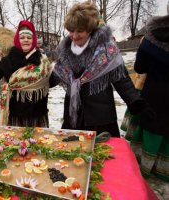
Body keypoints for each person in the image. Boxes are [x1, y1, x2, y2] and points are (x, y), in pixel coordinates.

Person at [54, 1, 150, 137]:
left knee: (102, 155)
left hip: (100, 117)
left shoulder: (106, 49)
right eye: (71, 31)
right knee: (73, 154)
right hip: (74, 115)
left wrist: (135, 101)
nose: (74, 36)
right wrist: (39, 79)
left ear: (90, 29)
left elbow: (121, 79)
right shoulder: (65, 50)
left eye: (80, 31)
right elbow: (56, 75)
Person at [130, 12, 169, 181]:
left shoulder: (150, 39)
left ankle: (145, 166)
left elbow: (139, 67)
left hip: (154, 93)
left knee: (151, 127)